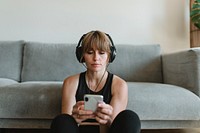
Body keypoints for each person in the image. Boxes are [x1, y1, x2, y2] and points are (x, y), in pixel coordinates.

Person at [50, 30, 141, 133]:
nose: (96, 58)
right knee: (62, 120)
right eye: (90, 52)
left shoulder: (119, 85)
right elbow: (66, 125)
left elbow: (115, 127)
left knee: (130, 118)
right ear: (82, 55)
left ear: (109, 56)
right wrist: (75, 118)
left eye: (102, 53)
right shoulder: (70, 83)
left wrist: (107, 119)